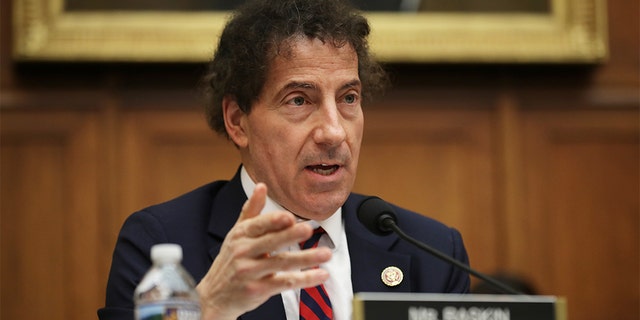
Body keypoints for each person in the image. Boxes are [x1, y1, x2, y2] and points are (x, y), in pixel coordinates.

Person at [98, 0, 470, 319]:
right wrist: (210, 307)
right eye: (299, 100)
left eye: (348, 98)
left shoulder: (432, 253)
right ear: (237, 120)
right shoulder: (160, 246)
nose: (334, 132)